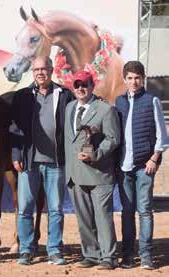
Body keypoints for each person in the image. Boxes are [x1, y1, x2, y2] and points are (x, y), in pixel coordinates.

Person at [10, 56, 74, 265]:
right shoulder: (22, 96)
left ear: (51, 69)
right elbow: (14, 129)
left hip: (56, 162)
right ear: (33, 72)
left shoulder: (64, 94)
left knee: (55, 209)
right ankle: (27, 250)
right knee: (25, 209)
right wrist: (16, 154)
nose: (40, 73)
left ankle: (54, 250)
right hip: (29, 162)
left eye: (44, 69)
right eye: (36, 69)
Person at [64, 70, 120, 270]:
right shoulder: (69, 107)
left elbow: (113, 139)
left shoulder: (105, 109)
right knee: (84, 219)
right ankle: (91, 254)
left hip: (99, 173)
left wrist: (96, 154)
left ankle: (109, 257)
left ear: (92, 85)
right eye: (77, 84)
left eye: (85, 84)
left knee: (103, 218)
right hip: (75, 174)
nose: (80, 88)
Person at [115, 61, 168, 270]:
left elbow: (161, 135)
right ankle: (128, 255)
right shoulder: (118, 102)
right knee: (127, 211)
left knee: (145, 211)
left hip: (145, 166)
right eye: (129, 77)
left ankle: (146, 255)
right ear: (124, 79)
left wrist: (154, 158)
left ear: (143, 78)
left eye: (137, 77)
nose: (133, 81)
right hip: (123, 166)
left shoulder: (151, 100)